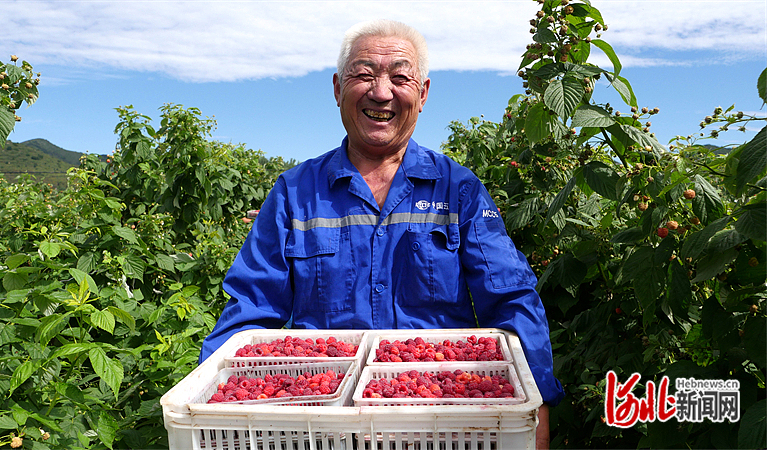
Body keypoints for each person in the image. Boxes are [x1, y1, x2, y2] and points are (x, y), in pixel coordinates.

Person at [201, 19, 564, 448]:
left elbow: (511, 299)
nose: (381, 91)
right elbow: (250, 310)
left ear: (423, 93)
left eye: (400, 76)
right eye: (364, 73)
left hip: (448, 414)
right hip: (326, 421)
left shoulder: (457, 189)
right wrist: (211, 398)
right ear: (338, 88)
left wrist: (535, 403)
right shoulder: (295, 194)